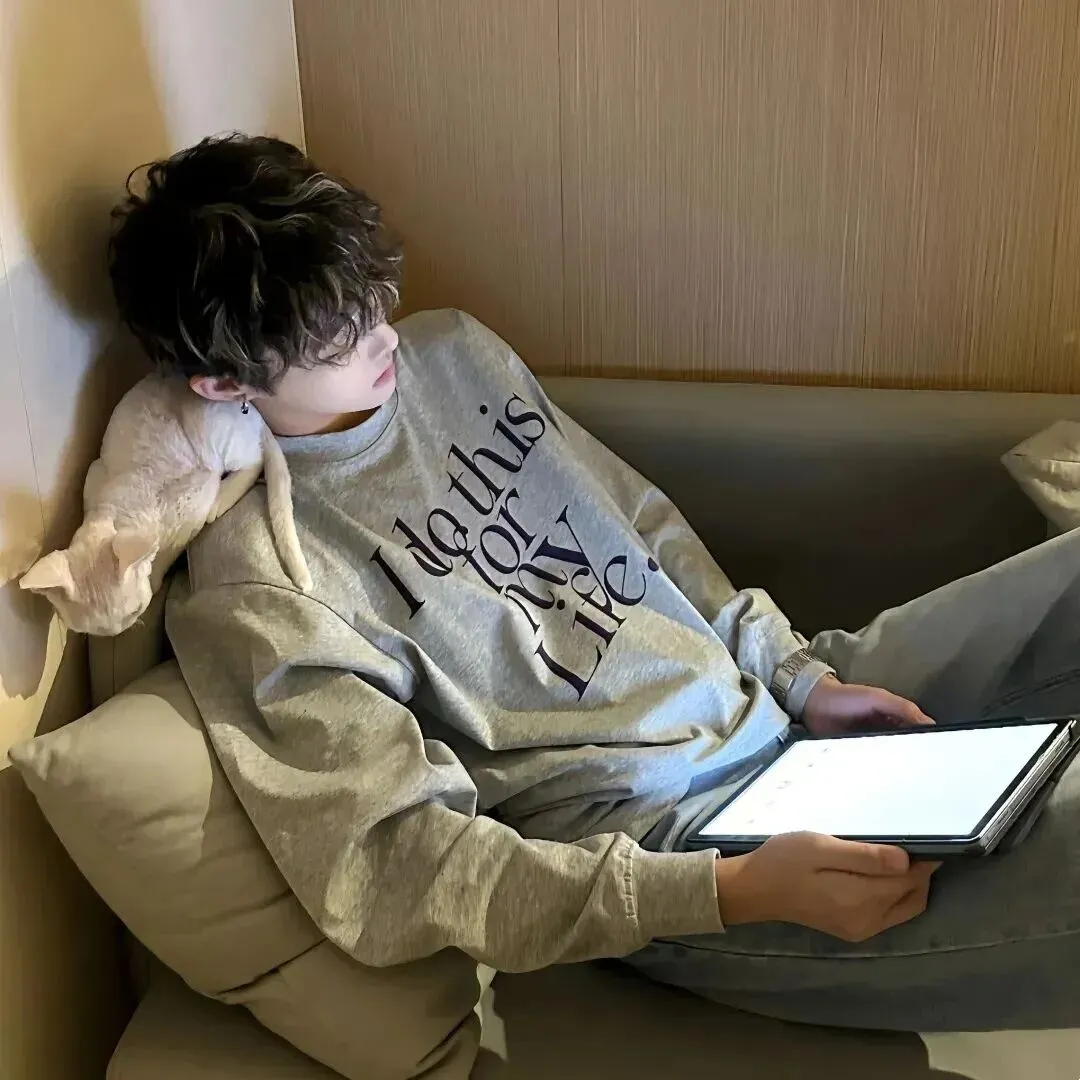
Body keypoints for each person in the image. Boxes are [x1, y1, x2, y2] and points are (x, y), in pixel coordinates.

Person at [108, 133, 1080, 1033]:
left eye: (375, 300)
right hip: (680, 854)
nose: (384, 339)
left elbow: (640, 521)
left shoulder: (453, 353)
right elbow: (393, 869)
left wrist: (797, 676)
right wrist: (734, 892)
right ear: (225, 384)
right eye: (338, 338)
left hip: (773, 709)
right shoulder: (264, 582)